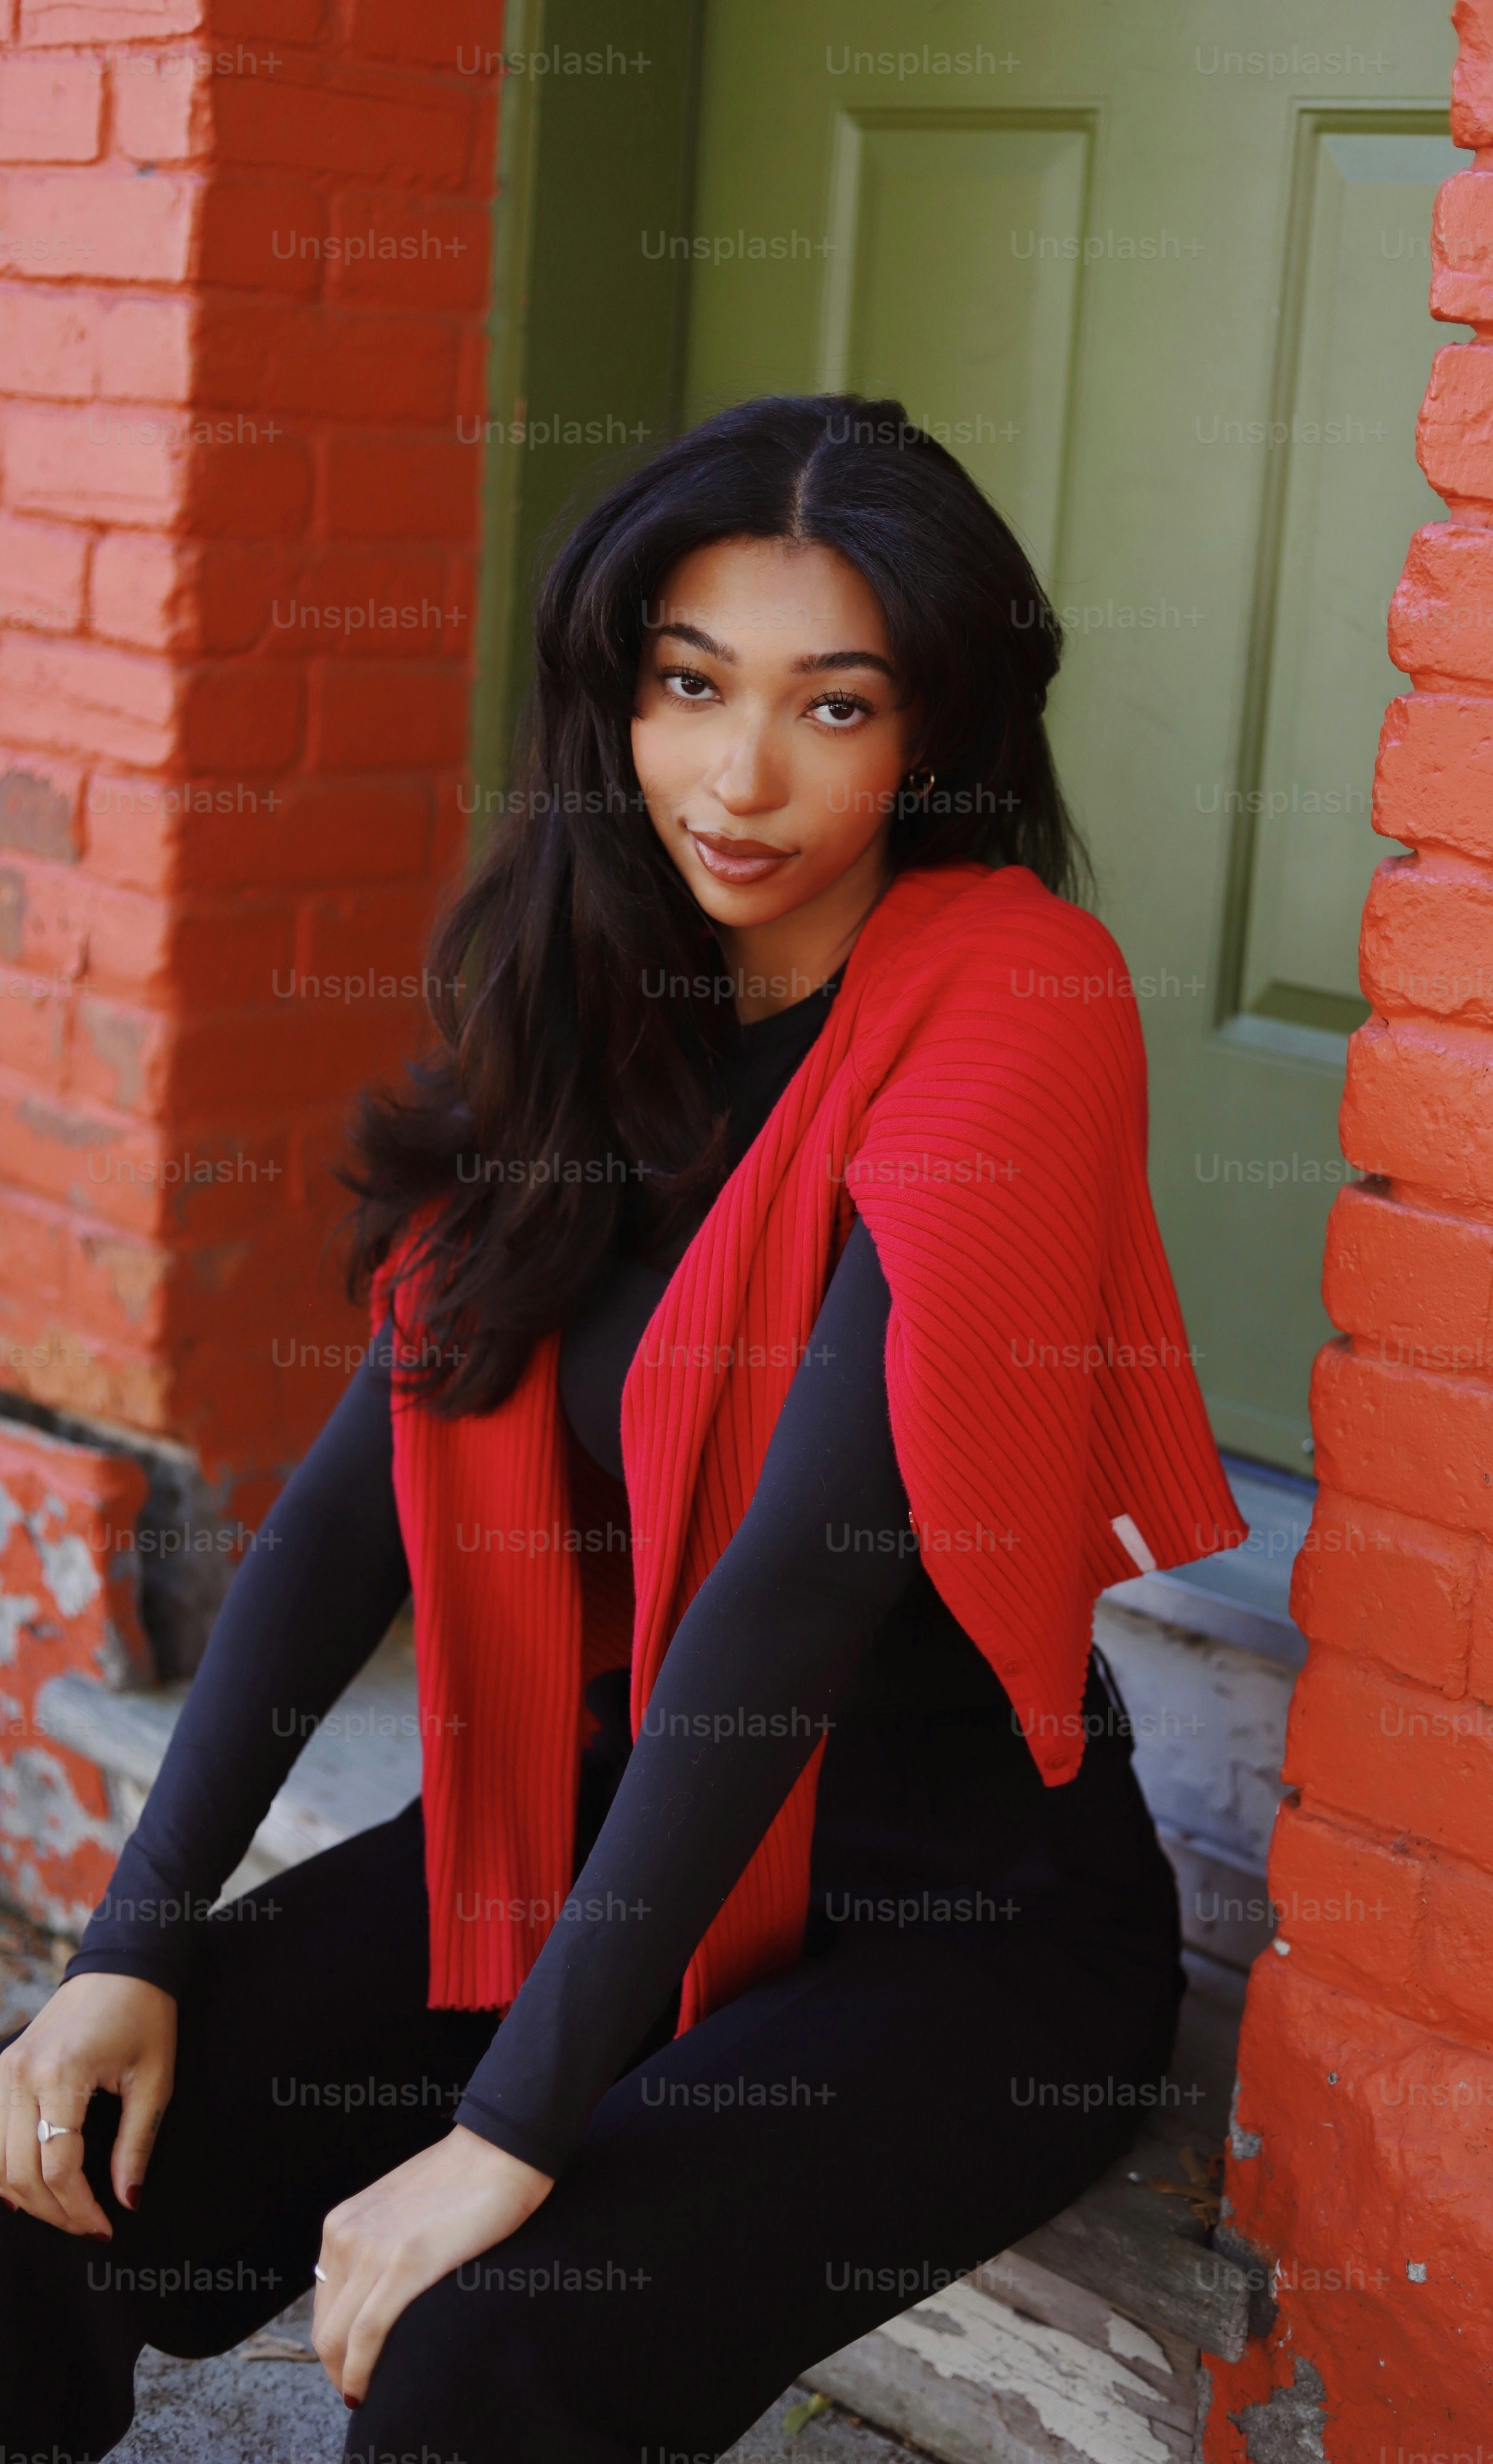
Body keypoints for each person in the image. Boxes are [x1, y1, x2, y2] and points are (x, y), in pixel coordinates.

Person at [0, 395, 1244, 2463]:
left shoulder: (1017, 1000)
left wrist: (512, 2126)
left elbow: (792, 1588)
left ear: (934, 726)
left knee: (493, 2348)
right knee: (41, 2165)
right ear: (616, 692)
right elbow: (351, 1509)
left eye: (833, 709)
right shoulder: (592, 976)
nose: (740, 778)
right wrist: (130, 1948)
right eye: (689, 687)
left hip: (946, 1921)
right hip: (593, 1829)